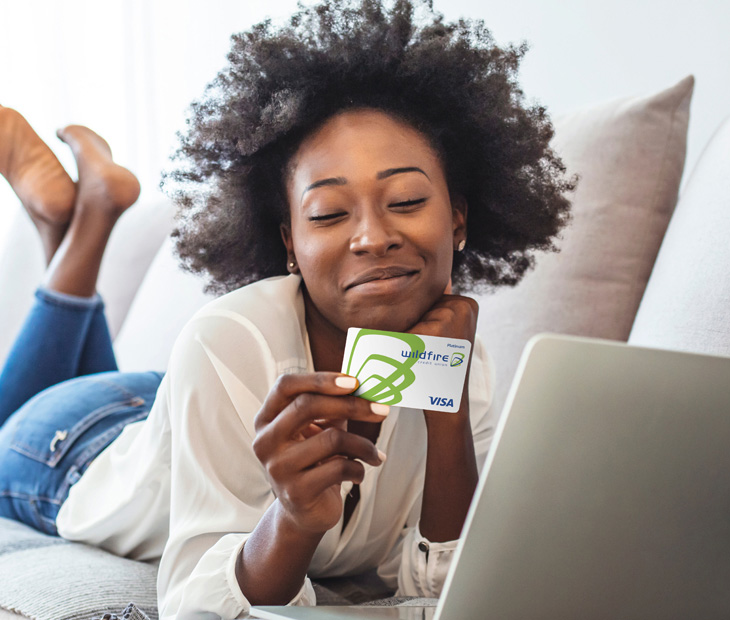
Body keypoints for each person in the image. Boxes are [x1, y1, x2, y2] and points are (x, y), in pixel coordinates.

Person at [0, 0, 575, 618]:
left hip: (172, 402)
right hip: (77, 445)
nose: (372, 237)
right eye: (329, 213)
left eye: (406, 200)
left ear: (458, 218)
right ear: (288, 244)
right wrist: (294, 521)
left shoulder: (468, 359)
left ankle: (69, 223)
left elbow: (443, 584)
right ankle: (83, 225)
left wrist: (447, 408)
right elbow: (195, 603)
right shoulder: (226, 337)